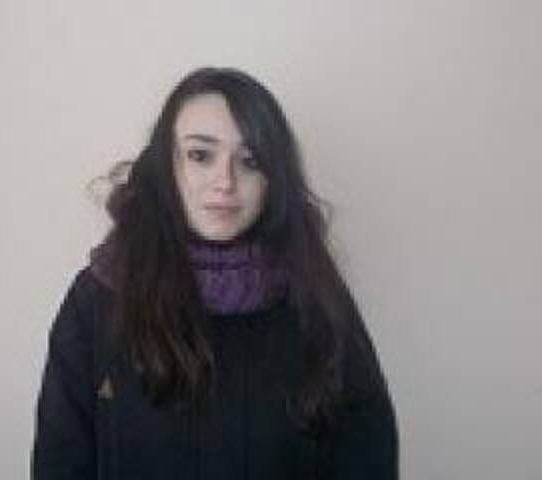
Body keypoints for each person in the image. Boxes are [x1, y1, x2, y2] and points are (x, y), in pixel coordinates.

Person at [31, 67, 399, 479]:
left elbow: (367, 455)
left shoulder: (316, 296)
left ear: (273, 180)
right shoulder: (97, 299)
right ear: (166, 167)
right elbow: (59, 462)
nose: (225, 182)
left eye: (250, 161)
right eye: (200, 155)